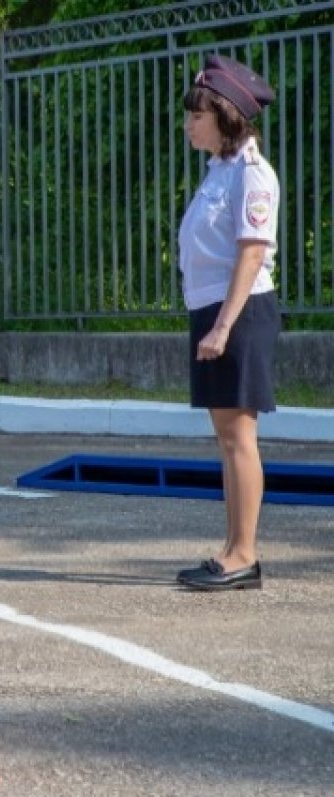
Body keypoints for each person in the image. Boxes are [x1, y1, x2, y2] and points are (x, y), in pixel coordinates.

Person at [175, 55, 280, 591]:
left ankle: (244, 554)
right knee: (227, 437)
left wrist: (222, 327)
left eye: (197, 115)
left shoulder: (254, 176)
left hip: (238, 314)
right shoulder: (221, 173)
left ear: (225, 116)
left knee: (239, 437)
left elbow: (250, 254)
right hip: (216, 312)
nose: (188, 125)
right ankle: (233, 548)